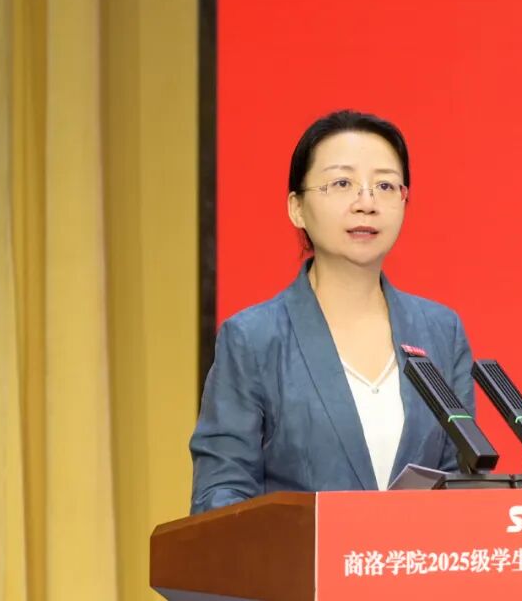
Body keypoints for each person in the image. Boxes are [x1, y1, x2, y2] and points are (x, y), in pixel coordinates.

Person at [189, 110, 475, 515]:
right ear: (297, 208)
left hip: (412, 557)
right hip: (295, 558)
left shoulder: (440, 332)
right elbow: (220, 496)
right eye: (342, 183)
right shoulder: (253, 339)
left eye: (385, 186)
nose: (366, 203)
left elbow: (461, 481)